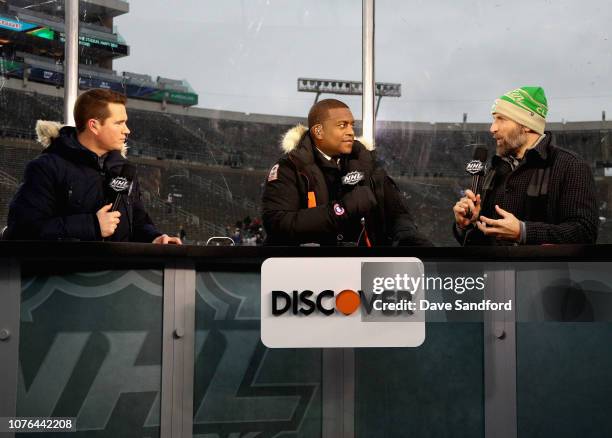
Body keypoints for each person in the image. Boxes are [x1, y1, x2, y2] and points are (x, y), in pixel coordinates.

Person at [6, 88, 181, 244]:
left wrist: (154, 238)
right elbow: (21, 231)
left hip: (118, 276)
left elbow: (138, 222)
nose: (127, 130)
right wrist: (92, 225)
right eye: (119, 123)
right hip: (64, 278)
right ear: (94, 126)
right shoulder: (47, 167)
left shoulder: (124, 169)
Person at [262, 98, 429, 246]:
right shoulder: (290, 167)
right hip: (308, 272)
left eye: (352, 125)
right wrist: (342, 209)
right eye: (342, 125)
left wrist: (412, 241)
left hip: (364, 271)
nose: (351, 132)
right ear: (318, 131)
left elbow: (398, 215)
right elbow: (278, 224)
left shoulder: (367, 163)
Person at [453, 86, 598, 245]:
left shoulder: (570, 166)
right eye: (494, 119)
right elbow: (478, 244)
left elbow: (584, 232)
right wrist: (467, 225)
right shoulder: (494, 171)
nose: (492, 128)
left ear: (527, 124)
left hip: (544, 270)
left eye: (501, 119)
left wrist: (523, 232)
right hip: (491, 270)